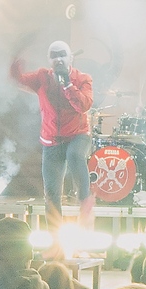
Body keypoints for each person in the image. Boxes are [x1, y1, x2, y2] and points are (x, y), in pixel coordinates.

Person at [11, 37, 97, 211]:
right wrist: (18, 55)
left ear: (70, 58)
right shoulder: (42, 77)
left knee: (74, 156)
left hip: (77, 135)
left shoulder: (82, 78)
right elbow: (17, 79)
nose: (58, 59)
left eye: (62, 55)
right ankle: (54, 235)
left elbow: (84, 106)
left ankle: (85, 200)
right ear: (49, 59)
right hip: (51, 140)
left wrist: (68, 85)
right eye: (54, 55)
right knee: (51, 195)